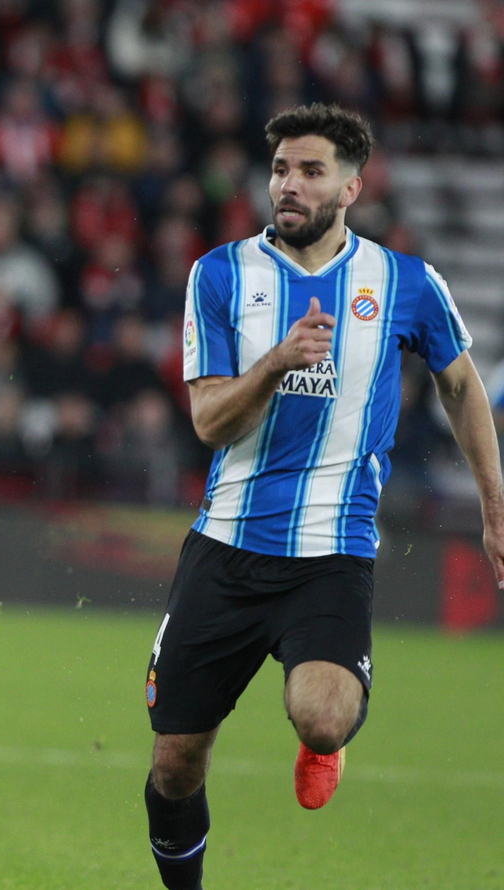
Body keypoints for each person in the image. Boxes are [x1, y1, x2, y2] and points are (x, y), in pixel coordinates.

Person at [143, 103, 504, 889]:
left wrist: (494, 507)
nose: (289, 185)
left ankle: (323, 744)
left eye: (310, 171)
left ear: (350, 188)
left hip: (331, 555)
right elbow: (209, 421)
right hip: (227, 547)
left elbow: (461, 386)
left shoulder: (405, 282)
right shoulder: (221, 274)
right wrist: (275, 363)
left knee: (324, 715)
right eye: (280, 169)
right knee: (175, 764)